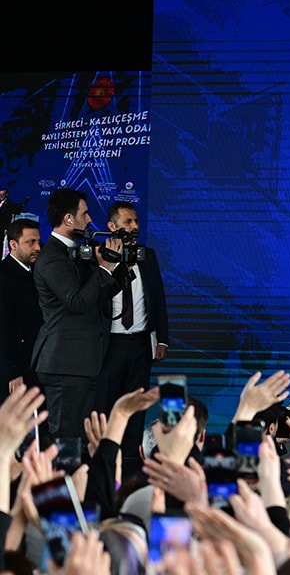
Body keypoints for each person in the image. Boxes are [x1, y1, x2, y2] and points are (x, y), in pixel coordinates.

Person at [31, 188, 125, 438]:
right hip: (65, 364)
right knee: (66, 439)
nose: (90, 219)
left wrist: (119, 267)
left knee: (81, 439)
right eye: (85, 214)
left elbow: (98, 294)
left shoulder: (78, 251)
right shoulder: (52, 258)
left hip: (82, 364)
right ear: (68, 219)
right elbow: (76, 301)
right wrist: (103, 269)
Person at [94, 202, 169, 468]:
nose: (135, 226)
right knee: (106, 404)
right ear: (111, 226)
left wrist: (162, 338)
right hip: (109, 345)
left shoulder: (147, 255)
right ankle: (104, 462)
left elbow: (158, 298)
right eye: (128, 222)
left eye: (136, 221)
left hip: (140, 344)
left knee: (137, 405)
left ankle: (131, 463)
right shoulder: (99, 256)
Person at [1, 217, 42, 390]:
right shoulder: (3, 275)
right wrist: (12, 371)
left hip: (35, 364)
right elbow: (2, 328)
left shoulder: (35, 272)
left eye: (38, 242)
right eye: (30, 242)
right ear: (13, 244)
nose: (37, 247)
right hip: (16, 371)